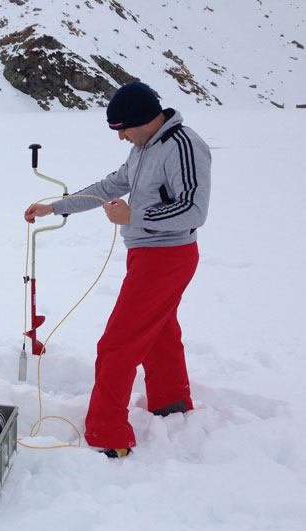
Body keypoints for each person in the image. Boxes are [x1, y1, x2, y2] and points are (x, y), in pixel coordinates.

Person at [23, 81, 211, 458]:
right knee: (158, 334)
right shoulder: (144, 147)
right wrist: (56, 207)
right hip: (146, 255)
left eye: (122, 128)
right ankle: (170, 402)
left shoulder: (183, 145)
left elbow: (194, 210)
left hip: (167, 257)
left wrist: (134, 216)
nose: (121, 137)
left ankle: (108, 434)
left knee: (117, 344)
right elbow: (110, 185)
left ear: (144, 119)